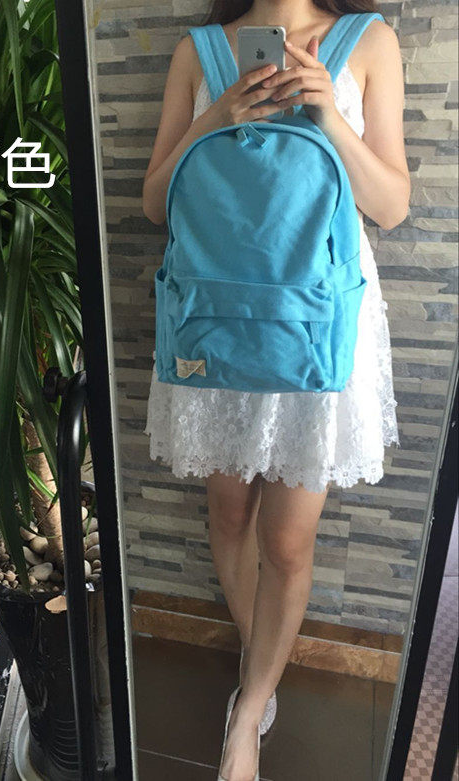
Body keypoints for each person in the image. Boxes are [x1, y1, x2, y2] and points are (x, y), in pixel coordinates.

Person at [142, 0, 409, 778]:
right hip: (219, 321)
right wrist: (216, 118)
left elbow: (391, 205)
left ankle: (248, 713)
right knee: (229, 514)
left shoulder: (369, 43)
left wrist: (329, 117)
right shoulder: (198, 53)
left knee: (287, 540)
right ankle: (261, 664)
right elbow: (155, 202)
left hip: (318, 325)